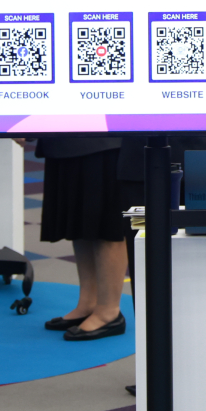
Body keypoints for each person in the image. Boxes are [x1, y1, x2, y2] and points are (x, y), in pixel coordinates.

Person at [36, 135, 130, 340]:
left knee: (107, 221)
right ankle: (88, 303)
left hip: (105, 136)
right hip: (65, 135)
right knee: (80, 220)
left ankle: (109, 311)